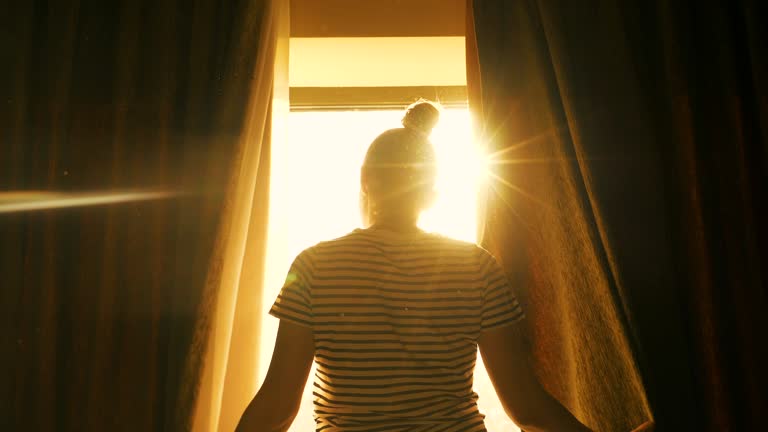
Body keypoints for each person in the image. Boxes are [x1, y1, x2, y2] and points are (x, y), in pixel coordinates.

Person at [236, 101, 592, 432]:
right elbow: (527, 407)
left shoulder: (313, 266)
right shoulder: (476, 266)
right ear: (433, 192)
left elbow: (278, 405)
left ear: (365, 181)